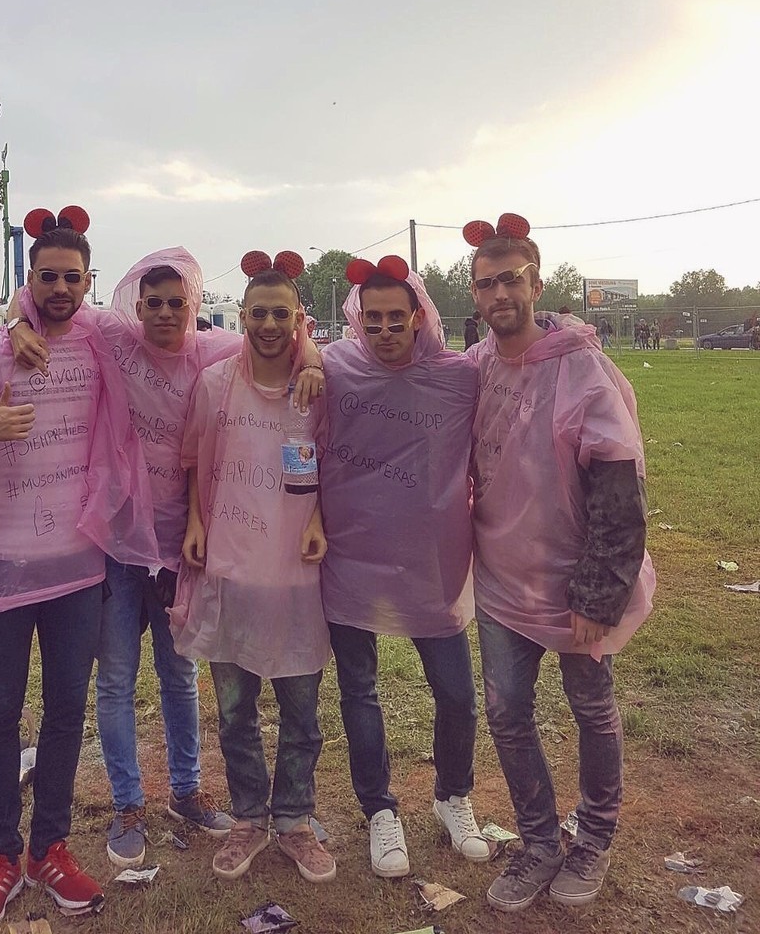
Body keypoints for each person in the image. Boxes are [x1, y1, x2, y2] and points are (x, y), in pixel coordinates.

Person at [7, 248, 324, 868]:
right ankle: (128, 804)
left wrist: (309, 352)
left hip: (185, 544)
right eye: (152, 303)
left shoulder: (212, 351)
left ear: (193, 305)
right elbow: (55, 298)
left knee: (180, 676)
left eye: (177, 303)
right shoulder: (117, 341)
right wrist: (18, 320)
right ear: (136, 305)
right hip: (121, 544)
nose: (164, 314)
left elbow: (278, 333)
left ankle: (187, 792)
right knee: (117, 678)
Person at [0, 208, 157, 931]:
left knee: (66, 711)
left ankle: (49, 848)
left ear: (88, 282)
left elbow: (185, 342)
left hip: (76, 569)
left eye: (72, 278)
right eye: (47, 276)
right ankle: (1, 858)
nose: (60, 288)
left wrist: (305, 349)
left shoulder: (102, 341)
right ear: (30, 279)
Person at [461, 212, 656, 913]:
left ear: (536, 284)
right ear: (475, 293)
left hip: (575, 584)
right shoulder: (479, 366)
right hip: (502, 581)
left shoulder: (580, 368)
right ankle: (541, 842)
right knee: (507, 713)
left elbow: (620, 483)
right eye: (486, 283)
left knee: (591, 709)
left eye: (510, 280)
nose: (499, 294)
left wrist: (599, 594)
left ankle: (594, 838)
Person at [170, 251, 334, 885]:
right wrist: (195, 522)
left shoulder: (317, 387)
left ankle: (293, 819)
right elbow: (194, 459)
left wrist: (319, 519)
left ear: (299, 320)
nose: (269, 325)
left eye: (281, 314)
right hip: (231, 567)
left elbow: (333, 462)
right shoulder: (215, 383)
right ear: (241, 316)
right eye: (258, 313)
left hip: (297, 572)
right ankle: (247, 818)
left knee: (302, 711)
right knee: (236, 712)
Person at [319, 254, 486, 879]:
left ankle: (453, 795)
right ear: (357, 319)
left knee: (457, 694)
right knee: (359, 690)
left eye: (397, 317)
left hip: (429, 560)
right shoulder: (335, 368)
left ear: (419, 316)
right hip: (350, 552)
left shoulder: (457, 378)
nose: (385, 329)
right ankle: (379, 810)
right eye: (374, 318)